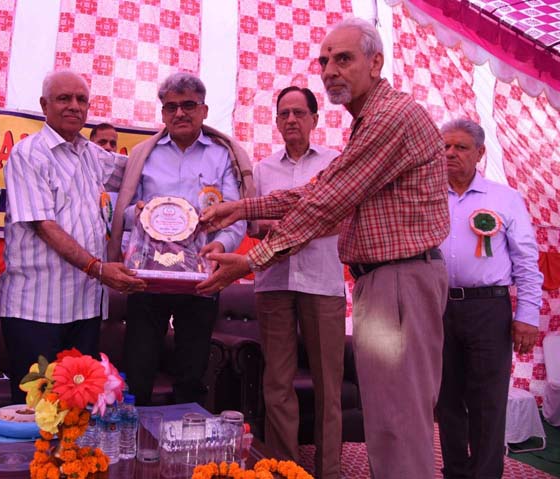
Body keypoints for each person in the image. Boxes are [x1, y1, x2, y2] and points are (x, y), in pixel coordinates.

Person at [198, 18, 449, 478]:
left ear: (376, 63)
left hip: (399, 280)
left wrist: (249, 260)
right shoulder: (369, 122)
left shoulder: (390, 118)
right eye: (325, 60)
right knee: (384, 418)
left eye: (344, 59)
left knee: (399, 420)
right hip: (381, 281)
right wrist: (241, 209)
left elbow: (326, 202)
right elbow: (318, 191)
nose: (330, 70)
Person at [0, 70, 145, 403]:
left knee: (78, 410)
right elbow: (44, 226)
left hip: (85, 308)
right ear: (44, 105)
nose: (74, 106)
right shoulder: (28, 154)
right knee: (36, 412)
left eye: (81, 100)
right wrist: (99, 268)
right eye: (64, 98)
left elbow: (140, 168)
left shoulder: (92, 154)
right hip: (36, 311)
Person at [108, 72, 253, 406]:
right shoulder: (143, 154)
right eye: (171, 107)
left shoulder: (223, 155)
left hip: (201, 275)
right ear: (162, 113)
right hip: (148, 276)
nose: (180, 113)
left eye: (188, 105)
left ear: (204, 110)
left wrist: (221, 247)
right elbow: (123, 213)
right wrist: (137, 213)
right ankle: (136, 434)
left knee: (192, 370)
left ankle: (186, 436)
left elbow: (234, 216)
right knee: (138, 366)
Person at [436, 119, 542, 479]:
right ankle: (455, 472)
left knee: (487, 401)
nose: (451, 153)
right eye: (445, 146)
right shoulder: (427, 196)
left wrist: (527, 316)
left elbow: (527, 261)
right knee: (446, 399)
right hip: (437, 308)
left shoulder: (504, 198)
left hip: (489, 309)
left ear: (480, 153)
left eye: (461, 147)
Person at [252, 86, 345, 478]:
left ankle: (329, 471)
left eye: (299, 113)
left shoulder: (335, 163)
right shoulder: (262, 169)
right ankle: (284, 470)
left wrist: (292, 227)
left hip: (322, 283)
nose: (291, 120)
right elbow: (254, 223)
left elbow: (342, 217)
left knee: (328, 387)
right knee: (277, 383)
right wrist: (273, 227)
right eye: (284, 114)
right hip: (274, 282)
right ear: (276, 121)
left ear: (314, 119)